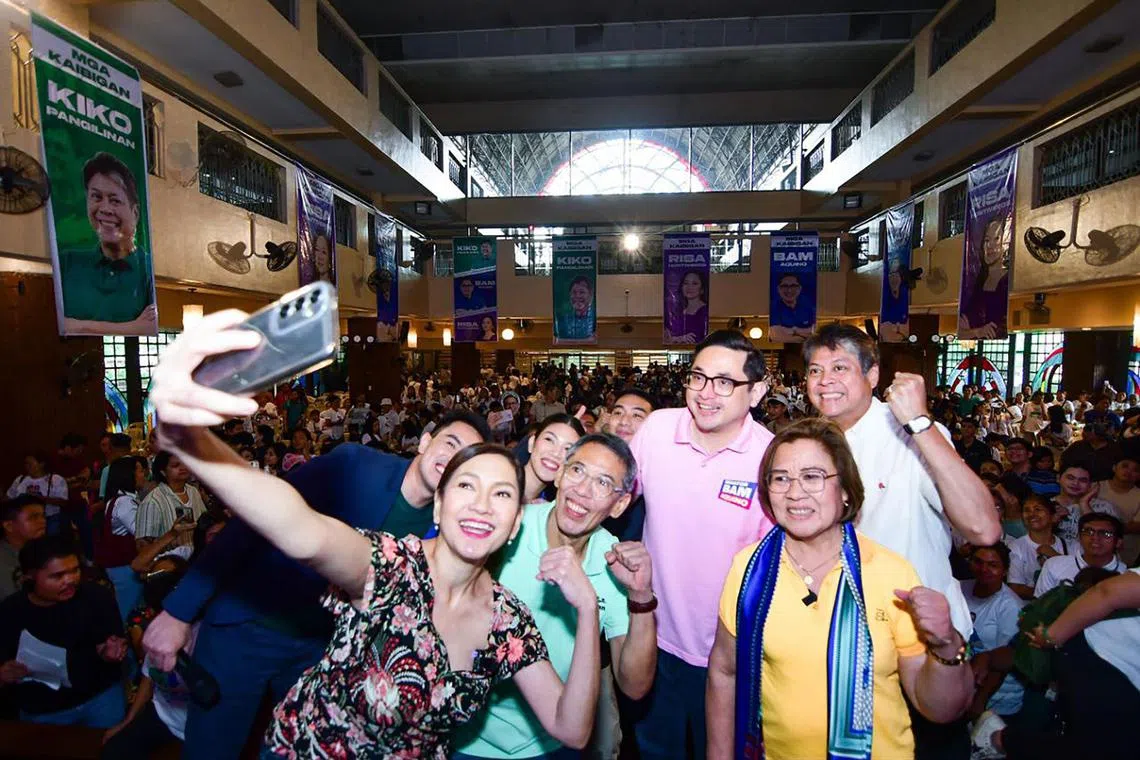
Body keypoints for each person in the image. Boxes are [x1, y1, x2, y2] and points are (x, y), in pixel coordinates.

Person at [147, 320, 602, 755]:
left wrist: (587, 607)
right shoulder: (379, 526)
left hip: (319, 643)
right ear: (427, 452)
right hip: (254, 623)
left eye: (497, 493)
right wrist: (193, 443)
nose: (481, 502)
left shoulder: (492, 597)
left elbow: (573, 727)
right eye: (463, 475)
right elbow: (290, 526)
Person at [143, 403, 495, 758]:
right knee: (213, 747)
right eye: (449, 444)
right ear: (425, 441)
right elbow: (253, 520)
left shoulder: (441, 526)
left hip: (317, 648)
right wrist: (180, 611)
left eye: (464, 458)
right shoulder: (354, 465)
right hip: (250, 624)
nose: (452, 460)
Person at [707, 419, 973, 760]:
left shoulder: (891, 574)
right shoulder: (749, 569)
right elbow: (724, 670)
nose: (794, 492)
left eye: (812, 477)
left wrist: (946, 643)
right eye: (780, 478)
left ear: (845, 489)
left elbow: (939, 710)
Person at [803, 324, 998, 758]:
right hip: (842, 647)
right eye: (815, 370)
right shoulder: (813, 444)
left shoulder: (911, 435)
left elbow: (984, 530)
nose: (825, 380)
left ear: (873, 376)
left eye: (840, 367)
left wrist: (921, 424)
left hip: (923, 646)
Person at [454, 434, 658, 760]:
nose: (582, 490)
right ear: (560, 475)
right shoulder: (509, 528)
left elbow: (634, 685)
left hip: (553, 742)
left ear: (620, 504)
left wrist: (640, 594)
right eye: (577, 471)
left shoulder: (615, 563)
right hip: (466, 736)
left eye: (603, 483)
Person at [627, 330, 774, 758]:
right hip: (657, 639)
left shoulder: (772, 457)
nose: (707, 394)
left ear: (756, 392)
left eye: (725, 382)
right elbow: (612, 496)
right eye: (698, 378)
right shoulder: (657, 430)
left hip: (733, 653)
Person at [979, 569, 1140, 759]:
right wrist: (1052, 637)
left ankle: (1004, 740)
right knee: (1098, 744)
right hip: (1105, 657)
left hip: (1118, 669)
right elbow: (1108, 592)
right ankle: (999, 739)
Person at [0, 536, 128, 728]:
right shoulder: (10, 611)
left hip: (101, 699)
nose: (70, 581)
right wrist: (4, 674)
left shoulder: (97, 597)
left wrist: (109, 652)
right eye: (57, 576)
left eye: (75, 570)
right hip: (43, 710)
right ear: (29, 576)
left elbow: (111, 640)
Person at [57, 152, 156, 335]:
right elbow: (52, 324)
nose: (105, 209)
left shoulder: (149, 269)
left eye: (115, 200)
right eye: (96, 197)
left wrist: (75, 324)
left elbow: (150, 327)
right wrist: (131, 327)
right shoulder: (67, 263)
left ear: (134, 213)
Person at [962, 544, 1025, 722]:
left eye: (993, 565)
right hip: (965, 687)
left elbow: (1005, 658)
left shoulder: (1010, 606)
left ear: (1005, 570)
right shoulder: (960, 589)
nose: (984, 569)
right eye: (978, 562)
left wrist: (980, 700)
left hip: (997, 697)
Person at [95, 455, 149, 621]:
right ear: (128, 475)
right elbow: (140, 531)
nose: (144, 474)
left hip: (121, 566)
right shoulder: (124, 502)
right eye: (140, 470)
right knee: (128, 613)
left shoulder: (120, 499)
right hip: (124, 566)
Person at [1034, 513, 1126, 596]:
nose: (1095, 537)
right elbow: (1039, 608)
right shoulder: (1054, 565)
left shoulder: (1127, 575)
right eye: (1088, 531)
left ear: (1118, 542)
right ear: (1079, 537)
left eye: (1105, 534)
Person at [135, 452, 207, 549]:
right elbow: (143, 547)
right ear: (163, 472)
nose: (183, 468)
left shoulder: (193, 491)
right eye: (175, 465)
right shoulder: (152, 501)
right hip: (168, 560)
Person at [1006, 494, 1068, 601]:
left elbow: (1078, 581)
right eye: (1027, 510)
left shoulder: (1070, 546)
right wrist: (1053, 595)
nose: (1031, 514)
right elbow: (1016, 588)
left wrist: (1055, 557)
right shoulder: (1016, 547)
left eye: (1038, 509)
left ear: (1053, 517)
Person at [958, 216, 1010, 340]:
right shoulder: (979, 282)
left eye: (996, 239)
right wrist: (976, 332)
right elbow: (960, 330)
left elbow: (997, 330)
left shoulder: (1008, 282)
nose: (990, 245)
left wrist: (971, 330)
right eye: (987, 240)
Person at [519, 414, 585, 504]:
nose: (556, 453)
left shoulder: (548, 508)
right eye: (549, 440)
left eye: (568, 448)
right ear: (531, 443)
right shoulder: (497, 482)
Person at [1051, 463, 1118, 544]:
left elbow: (1111, 540)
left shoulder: (1105, 507)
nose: (1076, 483)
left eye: (1083, 480)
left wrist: (1084, 504)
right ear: (1058, 478)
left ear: (1090, 484)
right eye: (1070, 478)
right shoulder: (1045, 505)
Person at [6, 451, 69, 537]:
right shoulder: (20, 480)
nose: (27, 466)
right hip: (25, 521)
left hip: (49, 520)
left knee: (49, 545)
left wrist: (40, 498)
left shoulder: (55, 479)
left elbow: (63, 502)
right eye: (26, 464)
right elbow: (9, 497)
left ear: (41, 464)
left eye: (30, 463)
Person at [0, 495, 47, 601]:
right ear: (9, 526)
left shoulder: (41, 548)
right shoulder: (3, 561)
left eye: (43, 516)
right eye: (33, 517)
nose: (42, 521)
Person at [1096, 454, 1140, 562]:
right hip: (1092, 547)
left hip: (1126, 553)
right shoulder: (1095, 487)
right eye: (1125, 466)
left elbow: (1137, 526)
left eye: (1135, 470)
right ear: (1114, 468)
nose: (1128, 471)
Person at [768, 274, 814, 342]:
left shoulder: (809, 305)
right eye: (785, 286)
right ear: (778, 289)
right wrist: (803, 335)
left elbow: (815, 331)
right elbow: (775, 336)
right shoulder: (773, 307)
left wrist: (792, 330)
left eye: (793, 286)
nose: (789, 290)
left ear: (800, 288)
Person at [666, 270, 708, 344]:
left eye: (694, 283)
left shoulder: (705, 311)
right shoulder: (677, 312)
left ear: (702, 289)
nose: (689, 287)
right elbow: (667, 338)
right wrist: (678, 339)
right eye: (686, 283)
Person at [556, 276, 596, 341]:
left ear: (590, 295)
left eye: (582, 292)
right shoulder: (562, 320)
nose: (577, 296)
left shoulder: (595, 319)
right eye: (574, 292)